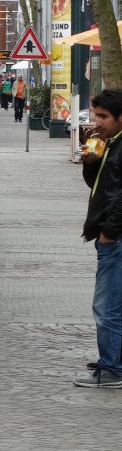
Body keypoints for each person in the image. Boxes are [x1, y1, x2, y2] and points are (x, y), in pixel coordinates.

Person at [74, 88, 122, 387]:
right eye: (96, 115)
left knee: (107, 306)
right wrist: (91, 163)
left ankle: (112, 369)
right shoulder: (112, 143)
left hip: (115, 239)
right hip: (111, 236)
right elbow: (101, 187)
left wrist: (108, 233)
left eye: (103, 117)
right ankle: (114, 361)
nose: (97, 122)